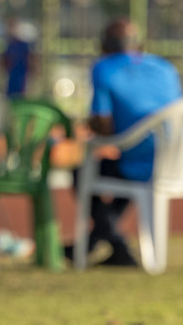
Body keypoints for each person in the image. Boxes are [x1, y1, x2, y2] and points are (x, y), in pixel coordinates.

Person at [73, 18, 182, 267]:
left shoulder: (104, 68)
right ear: (139, 45)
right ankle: (105, 243)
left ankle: (115, 243)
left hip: (139, 163)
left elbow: (104, 126)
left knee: (83, 172)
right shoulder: (165, 67)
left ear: (103, 47)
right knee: (126, 170)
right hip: (176, 162)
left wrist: (87, 126)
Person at [1, 16, 37, 99]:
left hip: (22, 74)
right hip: (12, 75)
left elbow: (31, 58)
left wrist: (34, 70)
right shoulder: (9, 44)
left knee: (22, 94)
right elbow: (5, 61)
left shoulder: (23, 45)